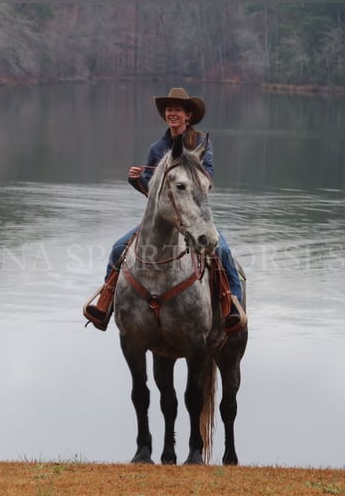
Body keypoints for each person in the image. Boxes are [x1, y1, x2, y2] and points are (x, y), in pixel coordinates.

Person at [83, 87, 246, 332]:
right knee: (119, 247)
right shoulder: (157, 148)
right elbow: (154, 196)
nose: (172, 113)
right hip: (162, 220)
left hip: (193, 216)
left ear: (188, 115)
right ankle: (105, 302)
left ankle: (233, 302)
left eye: (177, 110)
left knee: (221, 249)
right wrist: (137, 180)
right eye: (169, 109)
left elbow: (206, 181)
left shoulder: (201, 145)